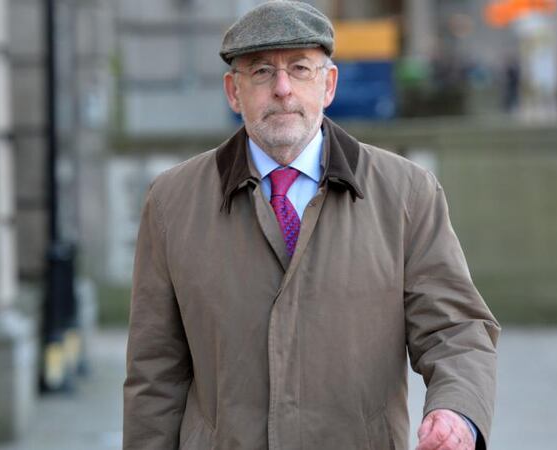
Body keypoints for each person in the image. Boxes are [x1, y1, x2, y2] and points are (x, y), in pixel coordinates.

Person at [123, 2, 500, 449]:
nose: (282, 89)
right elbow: (155, 372)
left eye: (300, 68)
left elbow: (455, 329)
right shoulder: (172, 202)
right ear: (233, 92)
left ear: (329, 84)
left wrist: (456, 411)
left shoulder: (406, 192)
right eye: (261, 71)